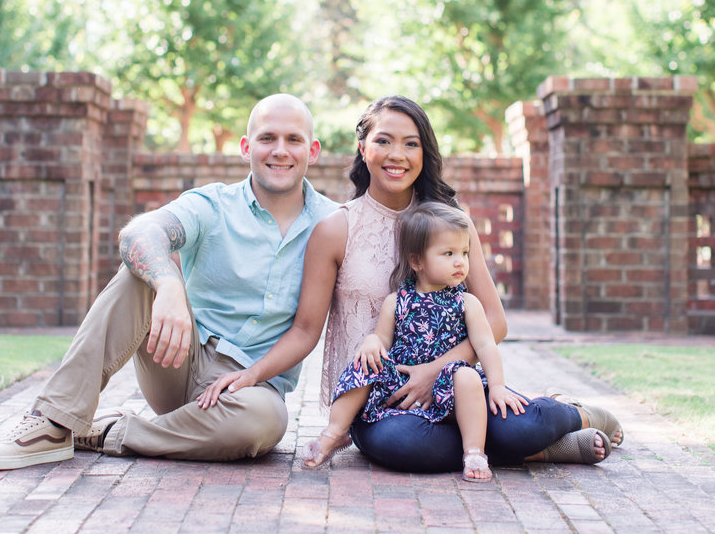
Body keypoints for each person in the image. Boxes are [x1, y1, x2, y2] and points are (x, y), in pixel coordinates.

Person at [199, 95, 620, 472]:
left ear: (424, 152)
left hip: (456, 388)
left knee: (519, 423)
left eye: (411, 143)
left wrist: (433, 371)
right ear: (363, 149)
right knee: (407, 447)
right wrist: (250, 375)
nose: (396, 154)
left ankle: (574, 415)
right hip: (379, 405)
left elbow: (495, 322)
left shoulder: (451, 224)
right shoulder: (335, 229)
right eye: (383, 141)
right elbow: (306, 330)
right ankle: (541, 448)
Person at [0, 93, 337, 470]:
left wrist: (252, 376)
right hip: (178, 361)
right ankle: (53, 423)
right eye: (267, 138)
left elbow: (308, 328)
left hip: (252, 390)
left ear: (313, 150)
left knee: (265, 423)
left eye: (293, 140)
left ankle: (113, 432)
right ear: (246, 147)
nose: (280, 151)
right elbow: (139, 232)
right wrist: (169, 286)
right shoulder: (212, 205)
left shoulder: (332, 223)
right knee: (140, 274)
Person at [303, 203, 529, 481]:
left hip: (449, 386)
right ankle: (334, 433)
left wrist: (497, 387)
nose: (460, 262)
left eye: (464, 253)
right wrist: (372, 343)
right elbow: (383, 338)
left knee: (468, 376)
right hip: (403, 385)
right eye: (449, 254)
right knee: (365, 361)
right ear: (417, 261)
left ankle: (474, 452)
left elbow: (485, 346)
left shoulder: (466, 303)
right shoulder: (396, 302)